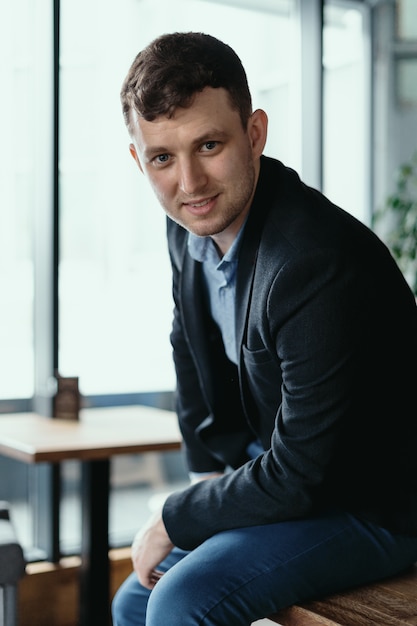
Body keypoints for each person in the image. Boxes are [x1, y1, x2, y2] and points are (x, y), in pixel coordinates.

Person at [112, 32, 417, 626]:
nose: (190, 183)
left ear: (254, 134)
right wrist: (205, 488)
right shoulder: (188, 225)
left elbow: (301, 474)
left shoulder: (313, 261)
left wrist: (180, 515)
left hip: (375, 504)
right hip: (294, 484)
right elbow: (189, 351)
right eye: (162, 158)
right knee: (137, 598)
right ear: (139, 159)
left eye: (208, 144)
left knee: (178, 602)